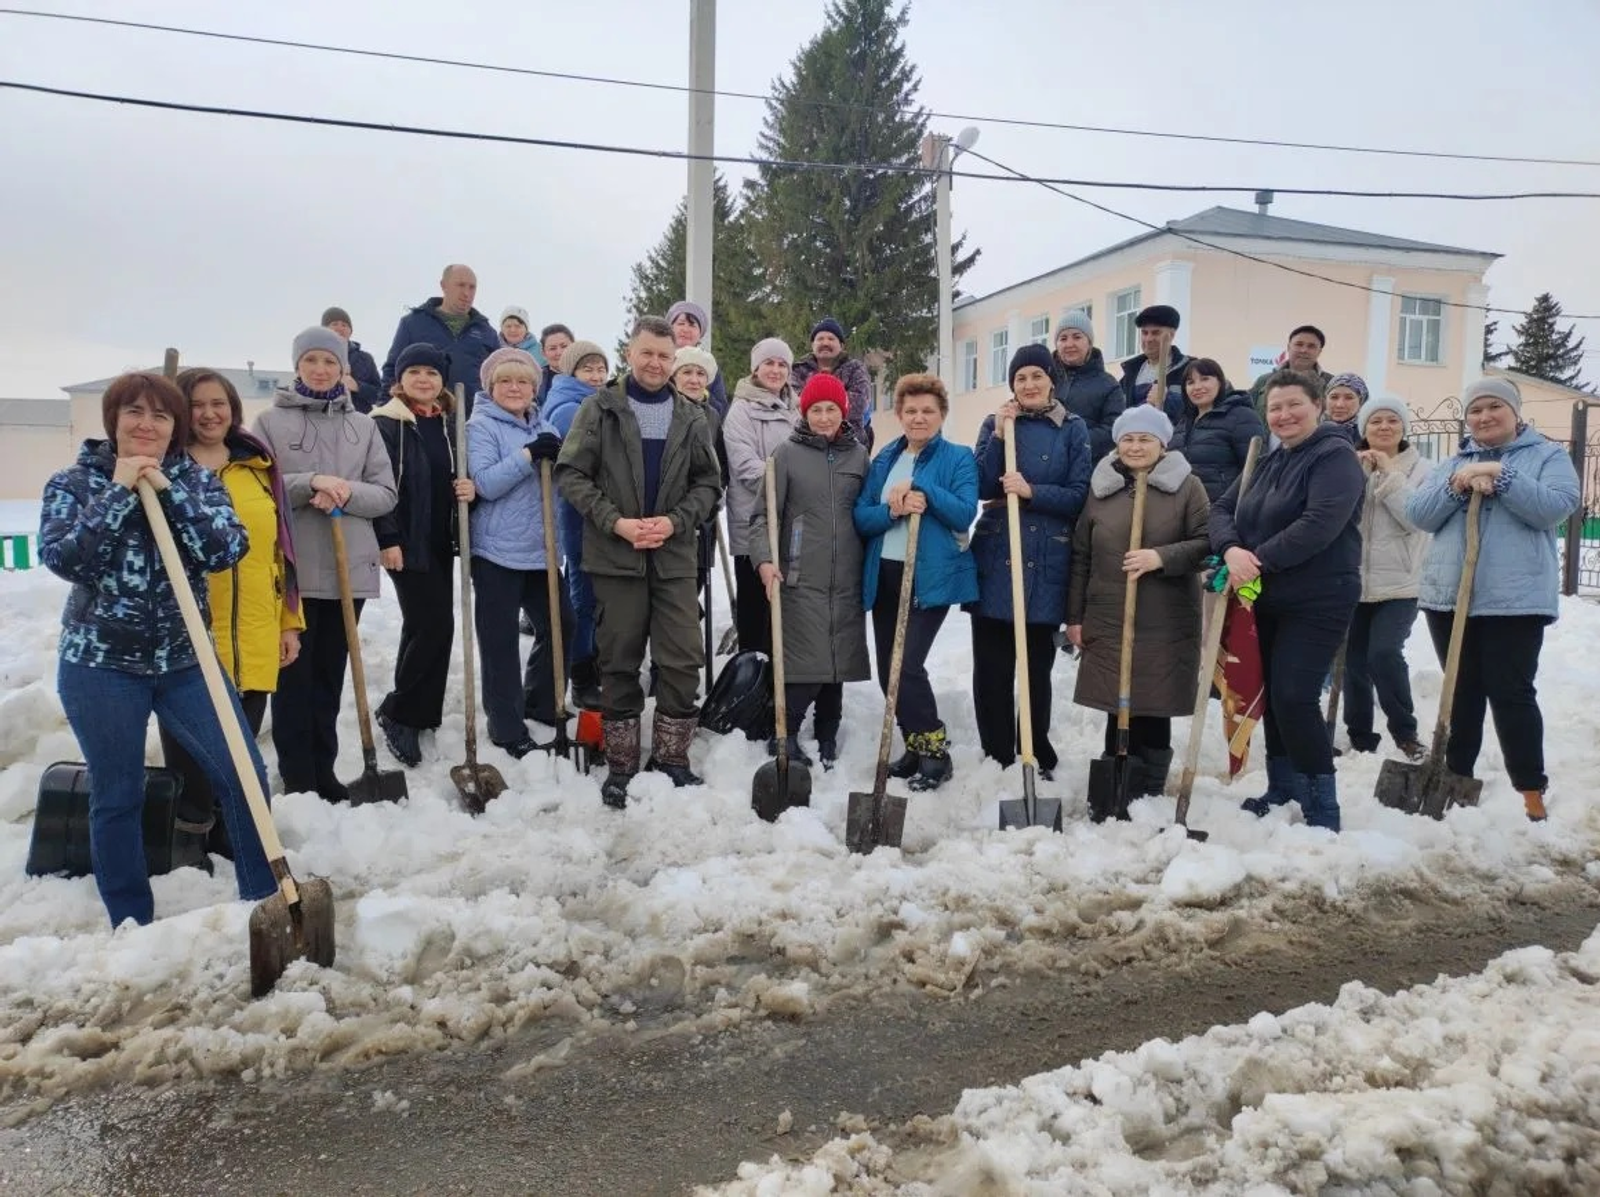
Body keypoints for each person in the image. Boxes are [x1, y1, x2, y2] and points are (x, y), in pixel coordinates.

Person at [39, 371, 277, 927]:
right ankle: (132, 921)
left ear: (175, 427)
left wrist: (169, 493)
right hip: (100, 666)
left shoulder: (196, 481)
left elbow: (224, 549)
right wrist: (119, 491)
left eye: (161, 415)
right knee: (117, 793)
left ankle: (264, 903)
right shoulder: (75, 483)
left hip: (186, 662)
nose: (147, 424)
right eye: (135, 412)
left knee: (243, 775)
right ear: (113, 420)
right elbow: (68, 560)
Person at [555, 316, 723, 808]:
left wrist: (675, 521)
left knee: (682, 656)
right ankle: (622, 764)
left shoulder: (691, 416)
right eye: (647, 353)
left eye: (664, 356)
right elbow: (571, 474)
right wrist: (616, 523)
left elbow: (708, 484)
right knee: (618, 658)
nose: (655, 363)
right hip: (616, 555)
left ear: (674, 360)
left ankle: (672, 758)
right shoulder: (599, 408)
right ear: (630, 353)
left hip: (673, 556)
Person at [1406, 377, 1580, 822]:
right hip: (1450, 597)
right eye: (1476, 410)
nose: (1484, 417)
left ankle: (1531, 790)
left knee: (1511, 692)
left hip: (1514, 599)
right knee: (1460, 691)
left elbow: (1555, 507)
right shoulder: (1453, 464)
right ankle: (1454, 780)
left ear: (1515, 412)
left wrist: (1503, 476)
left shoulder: (1547, 457)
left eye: (1494, 407)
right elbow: (1419, 515)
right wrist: (1456, 487)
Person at [158, 367, 304, 859]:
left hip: (257, 627)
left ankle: (234, 839)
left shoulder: (258, 465)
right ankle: (188, 842)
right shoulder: (167, 469)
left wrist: (289, 622)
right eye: (196, 404)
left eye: (218, 403)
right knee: (192, 754)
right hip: (191, 632)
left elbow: (282, 550)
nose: (208, 414)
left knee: (241, 749)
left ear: (233, 409)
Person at [1210, 368, 1364, 831]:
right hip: (1267, 596)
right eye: (1275, 408)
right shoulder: (1270, 459)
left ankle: (1322, 804)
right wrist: (1230, 550)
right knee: (1275, 695)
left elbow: (1319, 524)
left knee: (1295, 694)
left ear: (1318, 406)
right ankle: (1283, 786)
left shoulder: (1335, 456)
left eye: (1294, 404)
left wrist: (1255, 561)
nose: (1284, 415)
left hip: (1319, 597)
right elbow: (1222, 509)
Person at [254, 327, 398, 801]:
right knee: (293, 680)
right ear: (297, 366)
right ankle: (297, 776)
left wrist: (343, 490)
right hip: (294, 570)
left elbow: (385, 493)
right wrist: (309, 482)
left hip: (347, 570)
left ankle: (325, 770)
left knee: (330, 677)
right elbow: (259, 484)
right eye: (311, 360)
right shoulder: (269, 423)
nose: (320, 370)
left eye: (330, 362)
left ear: (343, 369)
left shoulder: (364, 427)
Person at [1067, 406, 1210, 801]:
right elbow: (1081, 555)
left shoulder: (1187, 487)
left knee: (1155, 700)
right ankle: (1115, 777)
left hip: (1165, 616)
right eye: (1127, 439)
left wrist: (1160, 557)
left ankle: (1149, 784)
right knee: (1116, 701)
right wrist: (1075, 617)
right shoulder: (1102, 488)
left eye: (1145, 439)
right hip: (1109, 613)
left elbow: (1206, 543)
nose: (1135, 446)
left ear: (1162, 445)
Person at [967, 344, 1091, 779]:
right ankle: (997, 753)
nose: (1029, 384)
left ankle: (1034, 748)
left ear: (1051, 380)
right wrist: (1001, 437)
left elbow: (1079, 494)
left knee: (1036, 668)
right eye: (1021, 378)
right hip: (998, 551)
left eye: (1037, 375)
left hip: (1045, 555)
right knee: (992, 668)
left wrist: (1032, 491)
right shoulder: (995, 422)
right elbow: (981, 485)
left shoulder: (1072, 428)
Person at [854, 373, 978, 791]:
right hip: (885, 573)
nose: (918, 418)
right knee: (887, 672)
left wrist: (922, 487)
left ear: (941, 414)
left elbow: (964, 512)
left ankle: (935, 753)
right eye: (911, 411)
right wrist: (892, 511)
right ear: (900, 414)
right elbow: (862, 516)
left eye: (928, 410)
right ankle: (914, 746)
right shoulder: (885, 460)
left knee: (906, 665)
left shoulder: (958, 458)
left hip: (929, 576)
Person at [748, 373, 870, 768]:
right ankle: (783, 733)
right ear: (804, 413)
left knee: (837, 659)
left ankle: (827, 734)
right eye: (816, 409)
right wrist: (765, 561)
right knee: (805, 661)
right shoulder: (786, 454)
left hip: (846, 575)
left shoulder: (859, 456)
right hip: (800, 575)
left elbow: (867, 511)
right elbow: (762, 516)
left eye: (831, 409)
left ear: (843, 412)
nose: (824, 417)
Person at [370, 343, 477, 766]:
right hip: (405, 538)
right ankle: (401, 714)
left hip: (438, 538)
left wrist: (466, 488)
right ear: (400, 379)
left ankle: (418, 709)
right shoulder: (386, 424)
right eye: (414, 371)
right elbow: (378, 483)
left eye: (431, 373)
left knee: (425, 625)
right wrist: (387, 538)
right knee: (433, 625)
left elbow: (451, 474)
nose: (423, 379)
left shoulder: (448, 424)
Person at [466, 347, 570, 757]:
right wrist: (528, 456)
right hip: (496, 551)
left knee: (563, 625)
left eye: (523, 381)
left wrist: (561, 462)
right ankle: (506, 725)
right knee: (500, 641)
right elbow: (486, 484)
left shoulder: (547, 427)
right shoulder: (481, 427)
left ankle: (541, 701)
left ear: (534, 387)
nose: (515, 388)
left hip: (541, 549)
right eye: (505, 381)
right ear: (491, 387)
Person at [1343, 395, 1431, 762]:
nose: (1383, 427)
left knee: (1383, 654)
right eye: (1375, 421)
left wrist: (1389, 474)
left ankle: (1405, 733)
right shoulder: (1347, 465)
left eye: (1392, 420)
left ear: (1404, 428)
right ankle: (1360, 736)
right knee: (1352, 663)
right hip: (1352, 581)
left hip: (1401, 584)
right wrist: (1356, 475)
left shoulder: (1423, 470)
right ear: (1363, 428)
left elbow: (1415, 519)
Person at [722, 337, 799, 658]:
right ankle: (753, 677)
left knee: (787, 616)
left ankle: (781, 681)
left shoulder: (797, 410)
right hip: (753, 529)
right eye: (769, 363)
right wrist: (797, 484)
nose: (776, 370)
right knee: (756, 615)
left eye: (782, 364)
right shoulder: (741, 411)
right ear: (755, 368)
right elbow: (747, 467)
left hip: (791, 528)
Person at [545, 339, 611, 711]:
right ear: (571, 372)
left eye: (601, 369)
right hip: (581, 515)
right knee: (584, 598)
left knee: (596, 597)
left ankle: (594, 665)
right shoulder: (570, 409)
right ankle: (581, 675)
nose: (597, 376)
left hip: (598, 515)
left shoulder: (596, 402)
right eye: (588, 369)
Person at [380, 264, 500, 414]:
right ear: (444, 286)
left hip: (475, 418)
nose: (466, 293)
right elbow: (392, 369)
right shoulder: (413, 323)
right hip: (423, 416)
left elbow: (499, 379)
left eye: (472, 287)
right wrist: (385, 409)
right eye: (460, 285)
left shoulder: (487, 332)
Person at [1169, 358, 1266, 501]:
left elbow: (1256, 469)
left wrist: (1228, 506)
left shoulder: (1241, 416)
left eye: (1205, 379)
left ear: (1220, 382)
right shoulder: (1182, 423)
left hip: (1221, 507)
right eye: (1190, 382)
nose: (1197, 387)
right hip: (1183, 506)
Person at [1050, 309, 1124, 461]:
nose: (1069, 344)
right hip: (1044, 466)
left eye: (1077, 337)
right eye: (1063, 338)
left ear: (1089, 342)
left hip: (1087, 467)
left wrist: (1073, 441)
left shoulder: (1108, 384)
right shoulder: (1043, 379)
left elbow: (1113, 429)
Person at [789, 317, 874, 447]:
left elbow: (859, 404)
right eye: (820, 339)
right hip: (806, 443)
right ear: (812, 345)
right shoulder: (798, 370)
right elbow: (794, 404)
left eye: (831, 339)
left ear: (841, 345)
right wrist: (837, 401)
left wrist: (814, 403)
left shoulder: (855, 368)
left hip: (849, 443)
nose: (825, 343)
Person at [1117, 305, 1190, 419]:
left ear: (1171, 335)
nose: (1148, 339)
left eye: (1156, 333)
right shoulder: (1130, 374)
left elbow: (1201, 410)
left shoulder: (1190, 370)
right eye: (1144, 333)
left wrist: (1168, 400)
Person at [1249, 325, 1333, 421]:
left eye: (1311, 346)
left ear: (1319, 351)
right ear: (1289, 347)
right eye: (1299, 344)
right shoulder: (1263, 381)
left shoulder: (1331, 384)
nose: (1304, 350)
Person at [666, 300, 729, 417]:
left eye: (692, 325)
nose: (686, 329)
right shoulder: (660, 361)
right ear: (670, 328)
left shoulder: (709, 365)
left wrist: (702, 395)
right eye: (681, 323)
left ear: (701, 333)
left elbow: (721, 410)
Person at [322, 307, 384, 414]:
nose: (340, 328)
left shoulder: (365, 358)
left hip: (359, 418)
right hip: (323, 418)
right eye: (334, 324)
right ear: (324, 330)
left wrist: (357, 386)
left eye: (344, 325)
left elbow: (380, 395)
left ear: (350, 331)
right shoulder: (314, 356)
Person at [536, 323, 575, 404]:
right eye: (552, 348)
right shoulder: (535, 380)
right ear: (543, 353)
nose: (559, 352)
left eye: (564, 346)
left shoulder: (589, 376)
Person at [1323, 372, 1366, 440]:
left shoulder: (1368, 436)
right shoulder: (1311, 431)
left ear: (1361, 402)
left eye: (1349, 398)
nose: (1339, 405)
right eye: (1334, 397)